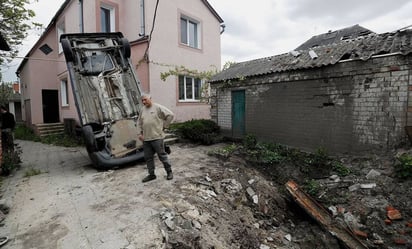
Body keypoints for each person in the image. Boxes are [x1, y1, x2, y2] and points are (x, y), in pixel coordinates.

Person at [138, 93, 174, 183]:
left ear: (150, 98)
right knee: (148, 158)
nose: (143, 102)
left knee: (162, 156)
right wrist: (139, 133)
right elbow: (139, 122)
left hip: (157, 137)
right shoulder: (142, 110)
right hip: (146, 139)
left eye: (145, 99)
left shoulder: (157, 107)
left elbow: (170, 115)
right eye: (142, 100)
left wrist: (165, 126)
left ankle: (169, 172)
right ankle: (151, 175)